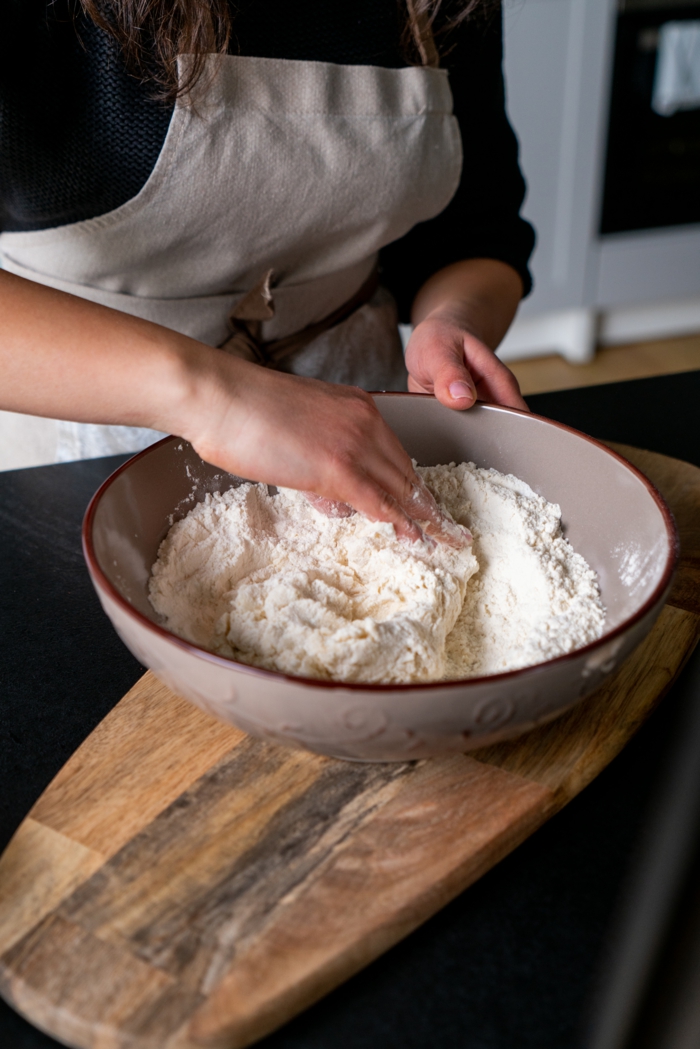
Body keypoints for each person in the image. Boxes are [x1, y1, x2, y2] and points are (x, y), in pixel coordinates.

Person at [0, 0, 534, 541]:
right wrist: (221, 400)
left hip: (365, 420)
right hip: (80, 443)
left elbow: (476, 231)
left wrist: (455, 318)